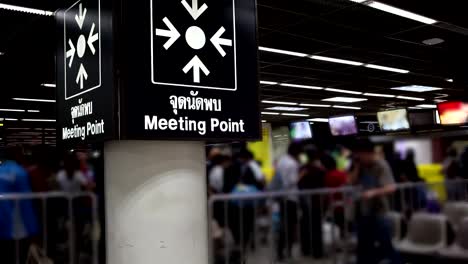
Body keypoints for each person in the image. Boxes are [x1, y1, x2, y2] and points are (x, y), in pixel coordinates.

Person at [350, 140, 401, 264]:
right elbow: (351, 181)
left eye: (361, 155)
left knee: (385, 244)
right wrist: (357, 166)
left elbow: (391, 187)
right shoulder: (360, 165)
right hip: (362, 212)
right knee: (363, 247)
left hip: (379, 211)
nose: (359, 158)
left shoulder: (381, 165)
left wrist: (373, 193)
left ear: (369, 153)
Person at [0, 147, 39, 264]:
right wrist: (33, 229)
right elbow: (26, 203)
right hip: (17, 228)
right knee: (19, 257)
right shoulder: (20, 172)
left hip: (2, 226)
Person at [274, 142, 301, 260]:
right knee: (290, 226)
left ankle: (280, 251)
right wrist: (302, 175)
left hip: (282, 197)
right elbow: (293, 180)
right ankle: (288, 251)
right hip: (291, 198)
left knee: (283, 226)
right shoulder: (293, 164)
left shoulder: (281, 161)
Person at [298, 145, 325, 258]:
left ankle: (306, 250)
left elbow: (298, 183)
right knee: (316, 227)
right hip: (316, 201)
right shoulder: (320, 169)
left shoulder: (303, 169)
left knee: (306, 226)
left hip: (306, 202)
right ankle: (317, 252)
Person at [322, 154, 348, 238]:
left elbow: (327, 192)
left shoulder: (328, 176)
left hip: (335, 205)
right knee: (343, 226)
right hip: (345, 204)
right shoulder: (342, 173)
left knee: (339, 225)